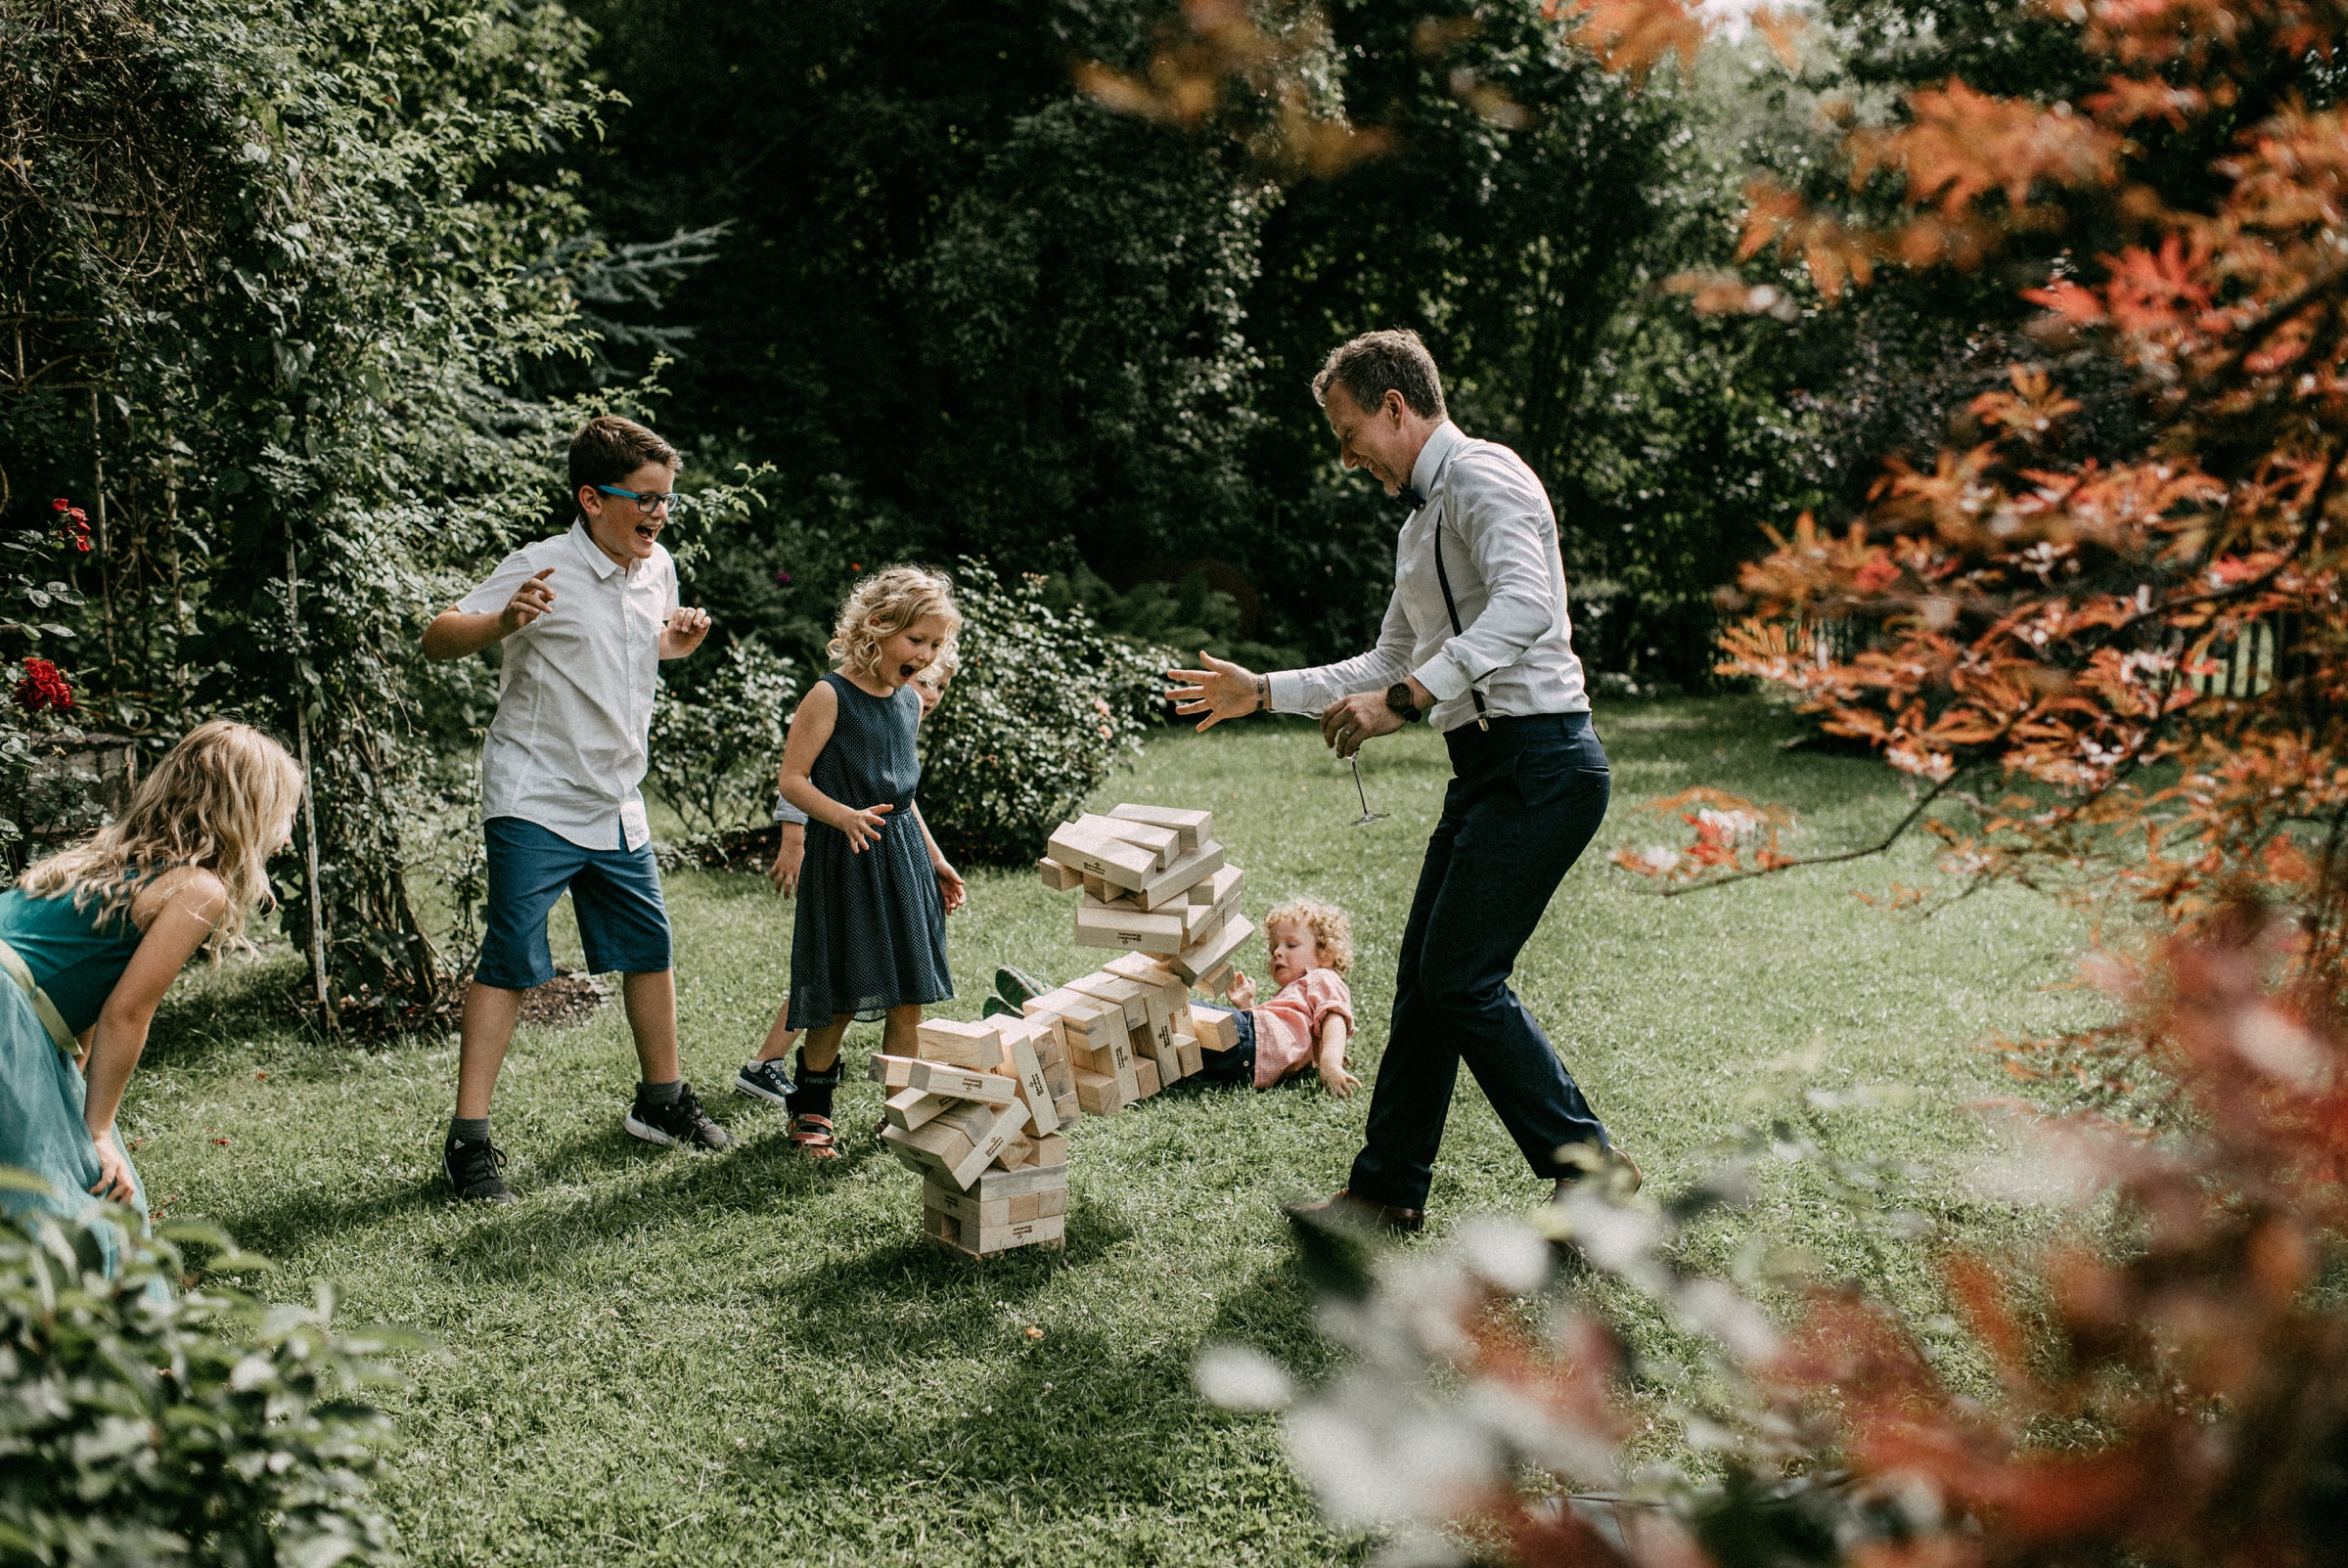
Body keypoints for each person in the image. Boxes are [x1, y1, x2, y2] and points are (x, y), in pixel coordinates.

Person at [1168, 328, 1638, 1233]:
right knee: (1426, 985)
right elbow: (1385, 657)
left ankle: (1592, 1168)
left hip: (1544, 762)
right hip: (1487, 769)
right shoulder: (1420, 523)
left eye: (1350, 433)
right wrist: (1263, 690)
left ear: (1395, 406)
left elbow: (1528, 605)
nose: (1348, 458)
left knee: (1461, 979)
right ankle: (1385, 1191)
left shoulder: (1485, 477)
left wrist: (1415, 694)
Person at [422, 414, 727, 1205]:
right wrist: (503, 621)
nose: (659, 515)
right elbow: (438, 635)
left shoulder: (656, 569)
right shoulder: (541, 565)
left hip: (615, 797)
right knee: (512, 960)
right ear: (592, 498)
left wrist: (674, 644)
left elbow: (630, 647)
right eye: (646, 499)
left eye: (667, 501)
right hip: (534, 793)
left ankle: (662, 1102)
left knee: (649, 946)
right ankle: (469, 1142)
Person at [0, 721, 303, 1273]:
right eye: (284, 815)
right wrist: (95, 1132)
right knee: (64, 1191)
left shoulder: (108, 855)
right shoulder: (197, 887)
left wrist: (75, 1082)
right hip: (7, 1011)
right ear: (247, 812)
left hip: (21, 1003)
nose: (286, 836)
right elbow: (127, 1012)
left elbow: (87, 987)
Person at [755, 567, 965, 1160]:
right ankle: (812, 1111)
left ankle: (899, 1115)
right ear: (876, 628)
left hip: (900, 860)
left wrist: (937, 861)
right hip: (846, 859)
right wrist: (841, 815)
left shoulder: (907, 702)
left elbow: (905, 798)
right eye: (915, 641)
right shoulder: (829, 696)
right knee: (841, 992)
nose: (924, 656)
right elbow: (792, 781)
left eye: (933, 645)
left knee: (910, 998)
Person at [1199, 897, 1361, 1097]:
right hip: (1248, 1064)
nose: (1277, 952)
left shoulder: (1323, 978)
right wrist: (1247, 1004)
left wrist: (1330, 1063)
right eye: (1273, 948)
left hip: (1251, 1046)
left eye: (1291, 945)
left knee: (1186, 1015)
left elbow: (1335, 1020)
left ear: (1325, 954)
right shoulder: (1295, 995)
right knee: (1185, 1043)